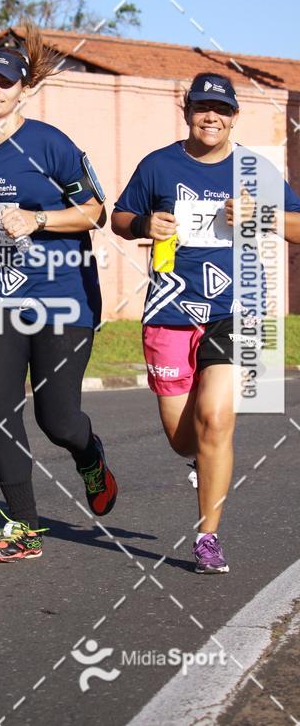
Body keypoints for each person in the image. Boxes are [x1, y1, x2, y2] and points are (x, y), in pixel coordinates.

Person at [112, 72, 300, 574]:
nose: (210, 117)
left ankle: (207, 537)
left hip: (236, 308)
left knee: (216, 417)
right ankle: (203, 461)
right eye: (201, 107)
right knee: (183, 438)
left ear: (234, 116)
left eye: (220, 109)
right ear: (187, 111)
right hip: (170, 310)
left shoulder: (254, 170)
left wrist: (263, 216)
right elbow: (120, 217)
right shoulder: (158, 165)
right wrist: (144, 225)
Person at [0, 23, 117, 562]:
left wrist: (38, 219)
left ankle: (89, 456)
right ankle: (24, 528)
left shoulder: (50, 144)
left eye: (4, 82)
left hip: (64, 298)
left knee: (57, 419)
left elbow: (97, 212)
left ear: (23, 89)